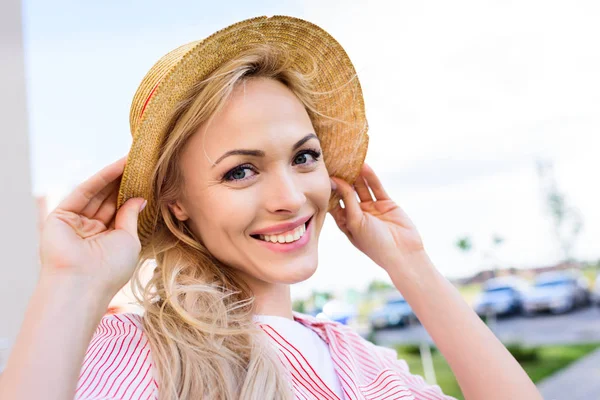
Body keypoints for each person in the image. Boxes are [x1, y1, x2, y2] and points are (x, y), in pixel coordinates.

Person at [0, 15, 542, 400]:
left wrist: (410, 263)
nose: (290, 198)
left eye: (304, 157)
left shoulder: (360, 361)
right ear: (177, 205)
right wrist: (70, 282)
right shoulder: (132, 353)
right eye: (241, 170)